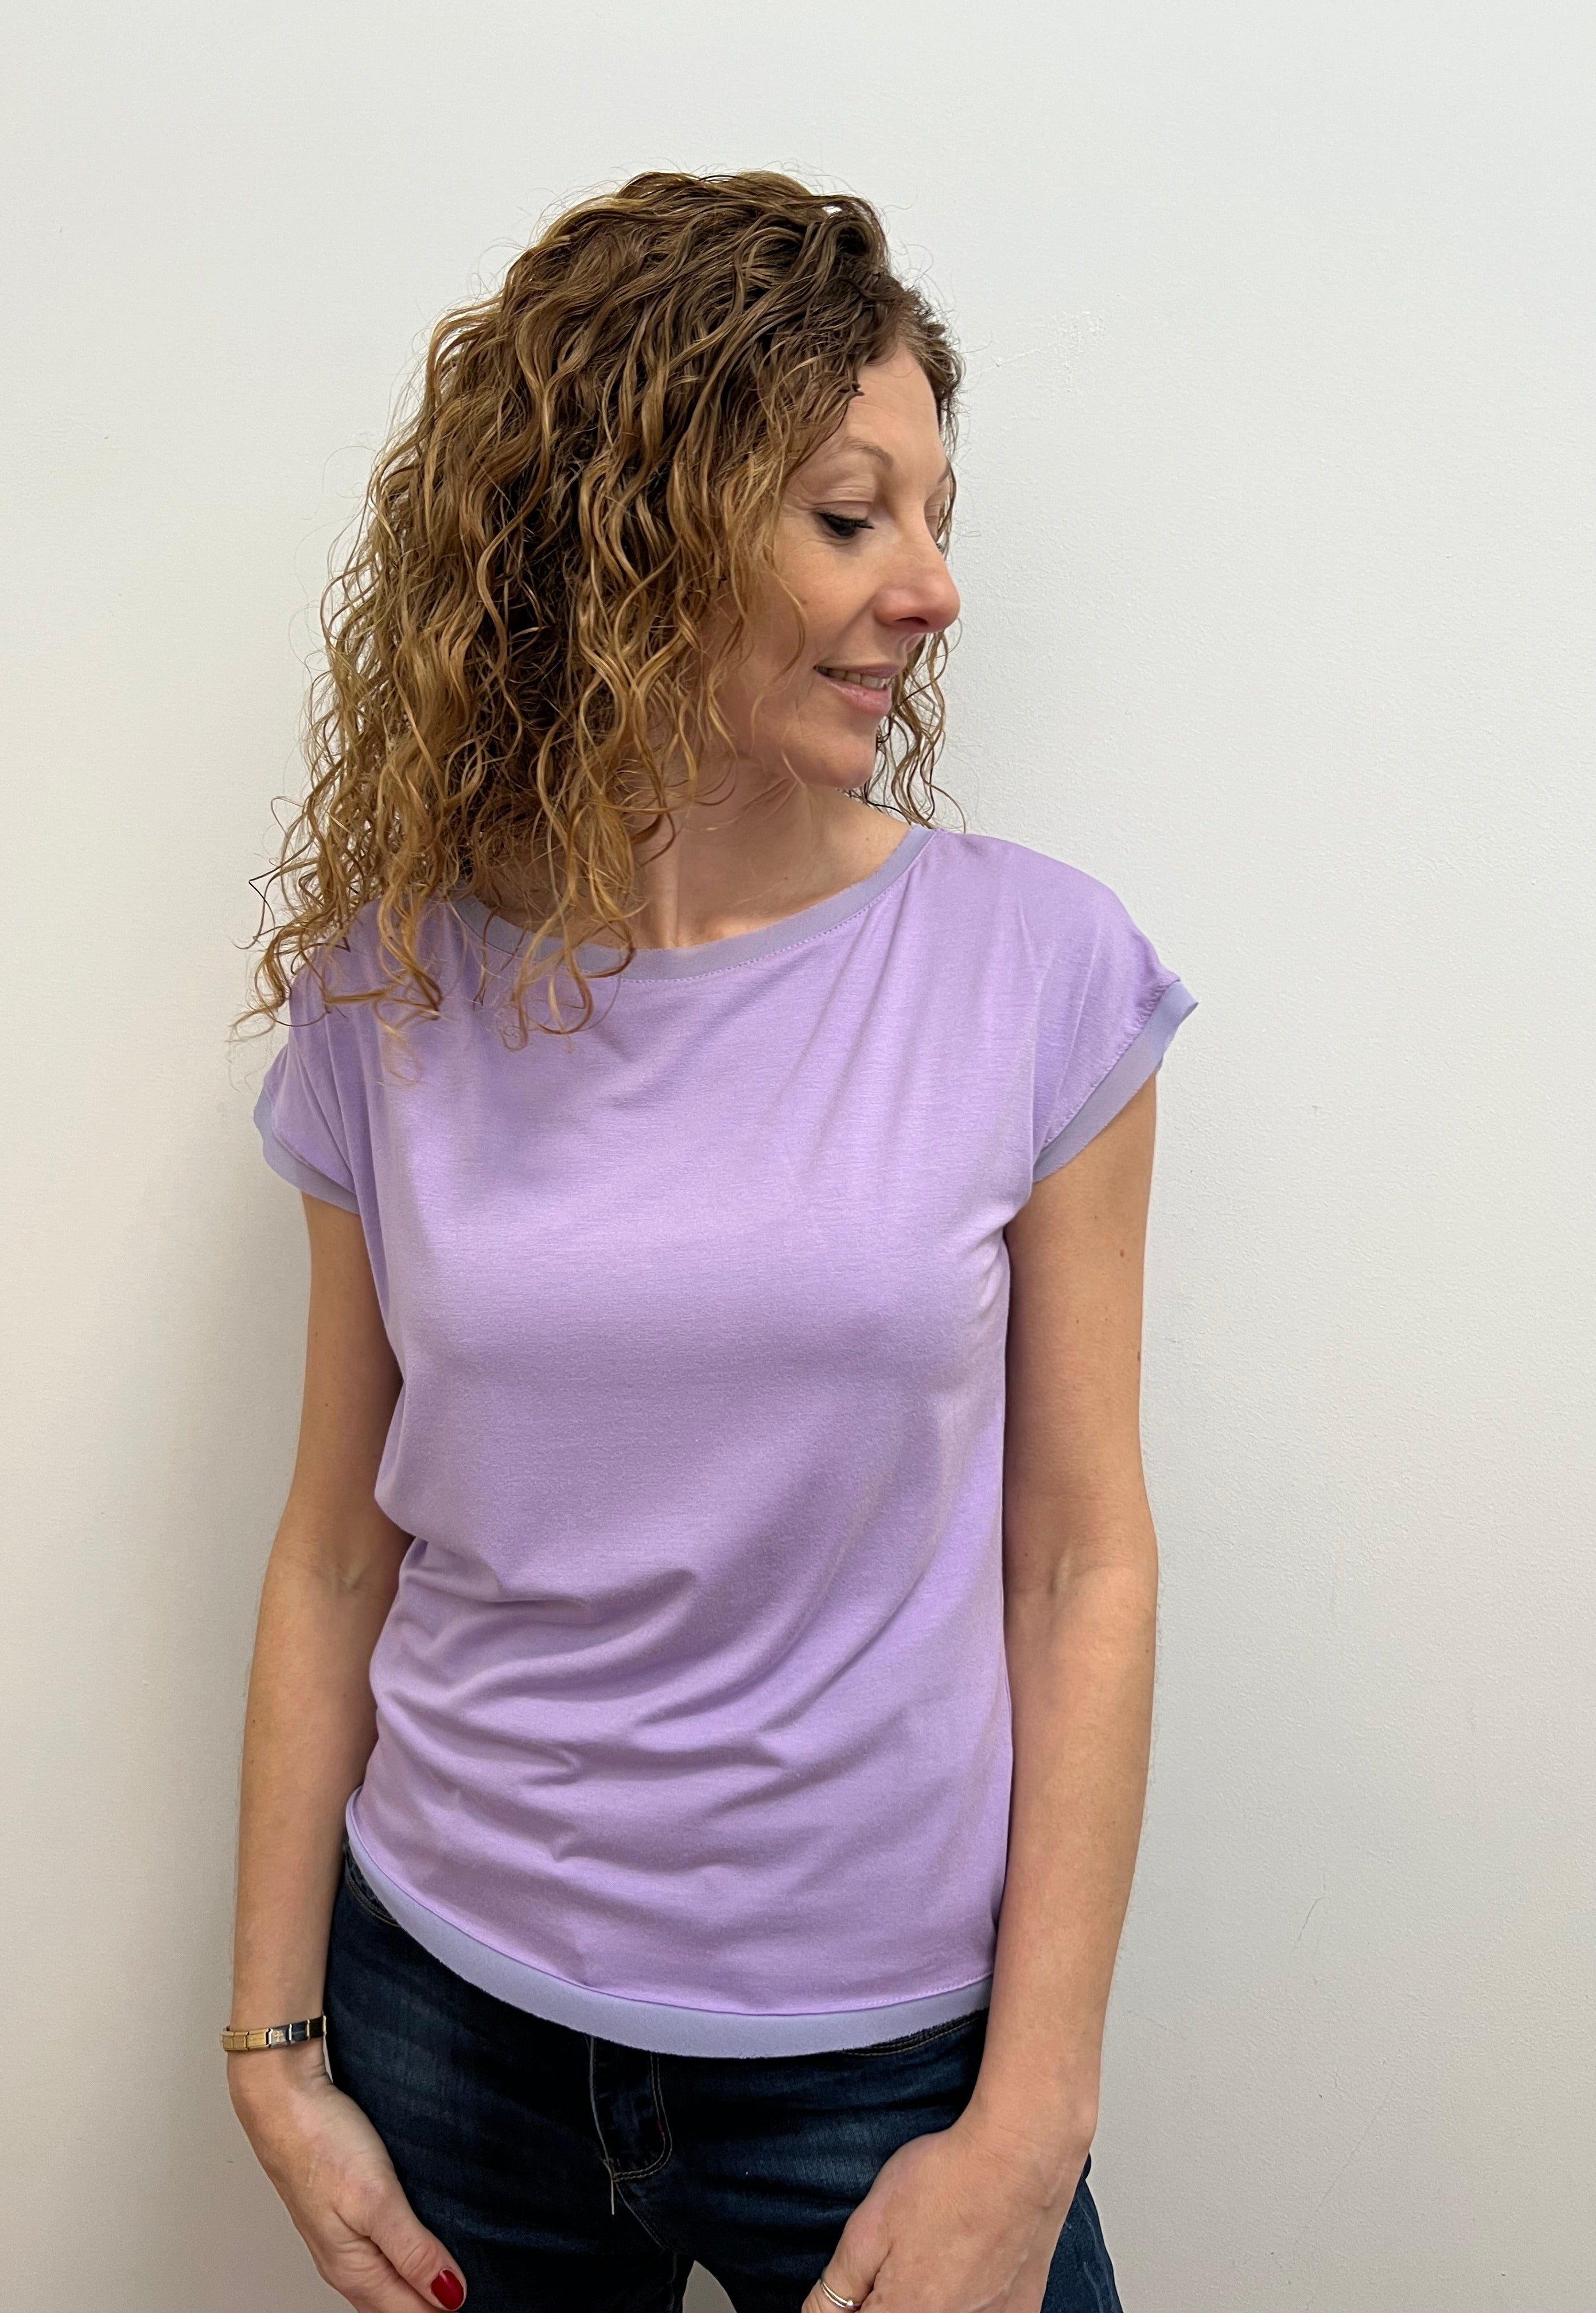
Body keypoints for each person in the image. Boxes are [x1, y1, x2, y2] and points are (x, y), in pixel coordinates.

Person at [226, 169, 1197, 2313]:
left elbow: (1080, 1561)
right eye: (855, 517)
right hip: (446, 2012)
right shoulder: (390, 994)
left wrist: (1030, 2124)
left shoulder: (1040, 973)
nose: (933, 590)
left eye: (939, 516)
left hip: (883, 2062)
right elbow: (330, 1547)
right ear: (634, 535)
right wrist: (274, 2045)